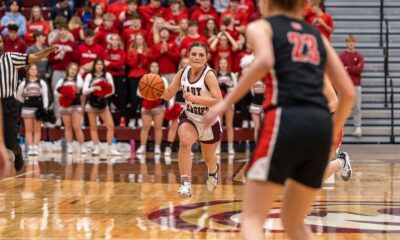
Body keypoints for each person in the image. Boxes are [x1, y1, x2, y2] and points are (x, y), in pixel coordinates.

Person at [203, 0, 355, 239]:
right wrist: (333, 131)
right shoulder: (316, 35)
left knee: (252, 218)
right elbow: (349, 93)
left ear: (265, 3)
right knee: (294, 222)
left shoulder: (262, 27)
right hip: (320, 125)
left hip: (287, 116)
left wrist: (225, 102)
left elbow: (263, 60)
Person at [161, 42, 222, 198]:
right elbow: (168, 94)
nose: (197, 57)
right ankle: (185, 184)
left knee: (208, 158)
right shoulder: (182, 72)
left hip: (209, 121)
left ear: (206, 58)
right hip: (190, 117)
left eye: (201, 55)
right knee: (185, 142)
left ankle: (214, 170)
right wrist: (155, 90)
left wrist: (195, 98)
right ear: (188, 55)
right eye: (194, 54)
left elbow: (218, 100)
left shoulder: (208, 75)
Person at [0, 35, 58, 173]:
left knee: (10, 140)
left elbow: (33, 58)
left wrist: (47, 51)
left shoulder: (10, 57)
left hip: (8, 101)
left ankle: (17, 152)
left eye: (0, 41)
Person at [82, 57, 121, 156]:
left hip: (103, 103)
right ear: (94, 65)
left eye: (101, 64)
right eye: (97, 64)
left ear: (103, 66)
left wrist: (104, 94)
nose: (99, 66)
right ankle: (96, 148)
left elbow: (112, 90)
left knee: (111, 126)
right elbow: (84, 91)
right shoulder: (89, 76)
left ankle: (110, 148)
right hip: (91, 103)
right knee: (93, 127)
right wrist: (94, 88)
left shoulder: (107, 75)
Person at [54, 62, 87, 154]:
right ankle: (69, 146)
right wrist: (64, 94)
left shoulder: (78, 80)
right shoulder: (62, 80)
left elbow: (80, 86)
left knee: (77, 127)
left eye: (75, 70)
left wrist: (79, 75)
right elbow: (56, 92)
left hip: (76, 105)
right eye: (72, 69)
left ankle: (82, 146)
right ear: (68, 69)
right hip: (65, 106)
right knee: (67, 127)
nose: (73, 71)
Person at [16, 64, 49, 156]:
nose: (34, 71)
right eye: (32, 69)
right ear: (28, 71)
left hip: (38, 109)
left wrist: (45, 107)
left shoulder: (41, 82)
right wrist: (25, 102)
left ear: (37, 72)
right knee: (28, 130)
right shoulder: (24, 83)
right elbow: (18, 96)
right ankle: (30, 148)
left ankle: (35, 147)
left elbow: (45, 96)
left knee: (37, 129)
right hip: (27, 108)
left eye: (35, 69)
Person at [136, 62, 167, 154]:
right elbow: (138, 92)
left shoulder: (163, 79)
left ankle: (157, 147)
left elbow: (166, 92)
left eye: (156, 66)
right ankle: (142, 147)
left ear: (158, 68)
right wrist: (148, 93)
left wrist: (156, 94)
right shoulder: (145, 78)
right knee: (145, 127)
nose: (154, 68)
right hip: (146, 106)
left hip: (158, 107)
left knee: (158, 128)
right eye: (152, 66)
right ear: (149, 68)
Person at [340, 34, 364, 137]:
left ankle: (358, 128)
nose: (351, 44)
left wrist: (347, 68)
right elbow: (340, 70)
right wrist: (352, 68)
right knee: (341, 107)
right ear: (346, 43)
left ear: (355, 43)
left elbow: (360, 69)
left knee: (357, 107)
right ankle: (339, 129)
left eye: (352, 42)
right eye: (349, 41)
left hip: (356, 85)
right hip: (344, 86)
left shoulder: (359, 56)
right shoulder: (341, 56)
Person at [216, 58, 237, 154]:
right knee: (218, 126)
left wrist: (229, 89)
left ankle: (230, 147)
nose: (223, 65)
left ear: (227, 65)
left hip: (229, 102)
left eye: (225, 63)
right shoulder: (215, 75)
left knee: (229, 126)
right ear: (219, 64)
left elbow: (236, 89)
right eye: (221, 63)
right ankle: (218, 147)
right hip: (219, 103)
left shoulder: (232, 75)